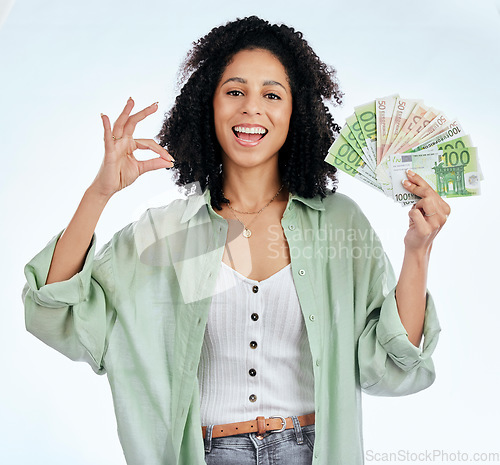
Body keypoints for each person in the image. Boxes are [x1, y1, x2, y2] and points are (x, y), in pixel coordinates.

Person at [22, 16, 449, 465]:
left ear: (294, 111)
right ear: (209, 105)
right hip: (204, 454)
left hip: (312, 450)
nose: (251, 108)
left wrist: (418, 251)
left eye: (271, 94)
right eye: (234, 91)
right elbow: (56, 311)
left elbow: (390, 366)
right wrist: (99, 193)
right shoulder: (171, 234)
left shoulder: (338, 224)